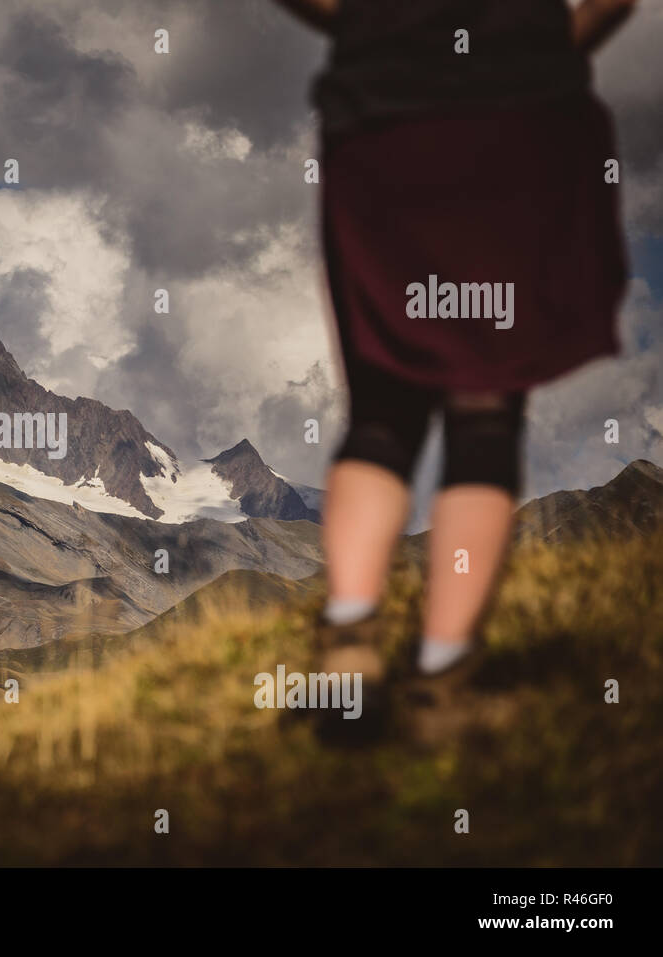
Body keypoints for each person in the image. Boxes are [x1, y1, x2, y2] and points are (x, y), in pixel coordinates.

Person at [272, 0, 638, 696]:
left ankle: (349, 641)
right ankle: (442, 673)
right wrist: (549, 46)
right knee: (486, 411)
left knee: (380, 409)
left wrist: (361, 27)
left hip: (379, 119)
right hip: (520, 114)